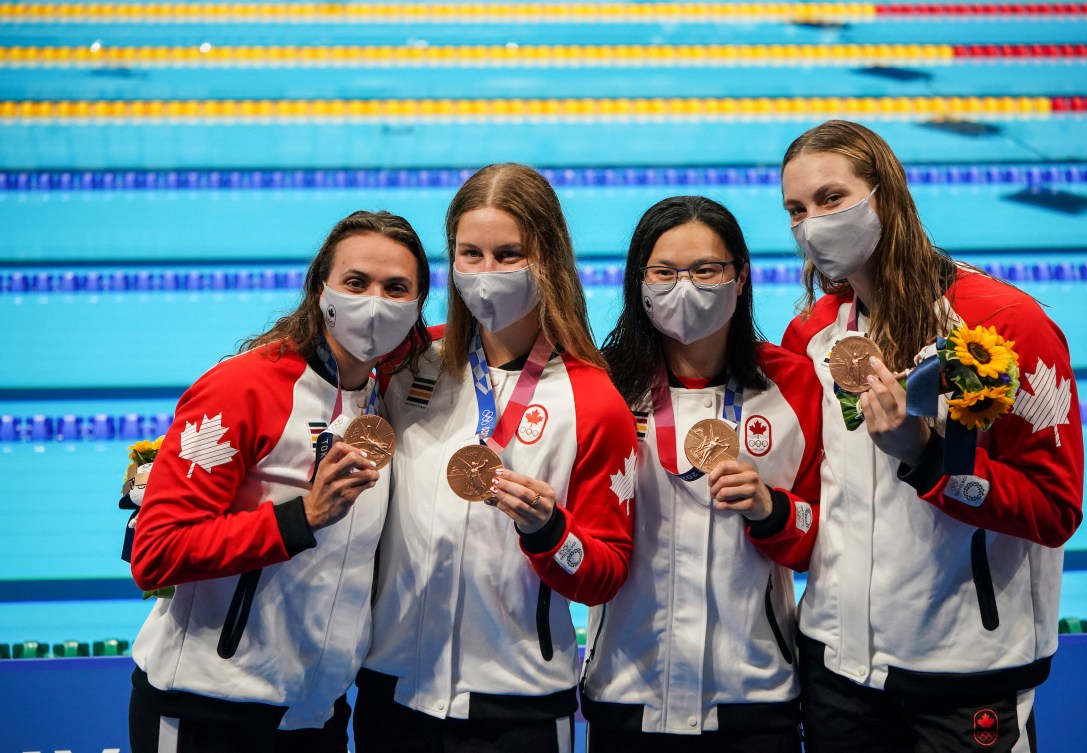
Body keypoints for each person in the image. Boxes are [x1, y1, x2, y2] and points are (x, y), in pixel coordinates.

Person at [779, 120, 1084, 752]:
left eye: (831, 199)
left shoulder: (1006, 325)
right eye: (796, 210)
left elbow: (1055, 509)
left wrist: (927, 458)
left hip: (968, 675)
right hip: (836, 671)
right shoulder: (809, 336)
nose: (812, 224)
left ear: (884, 195)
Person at [353, 163, 637, 753]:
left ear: (549, 260)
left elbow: (606, 572)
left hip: (520, 707)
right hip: (392, 692)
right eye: (470, 254)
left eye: (510, 255)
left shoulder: (592, 400)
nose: (487, 275)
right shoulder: (410, 364)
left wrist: (550, 531)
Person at [128, 210, 431, 753]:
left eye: (396, 289)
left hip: (317, 718)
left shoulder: (387, 396)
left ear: (415, 308)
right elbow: (158, 552)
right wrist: (302, 517)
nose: (374, 303)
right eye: (356, 283)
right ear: (321, 290)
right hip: (206, 711)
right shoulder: (244, 388)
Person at [581, 196, 823, 753]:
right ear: (638, 283)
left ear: (740, 278)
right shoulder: (603, 386)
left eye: (706, 270)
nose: (683, 287)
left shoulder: (793, 384)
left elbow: (822, 538)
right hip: (627, 690)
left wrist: (773, 510)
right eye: (664, 272)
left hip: (755, 695)